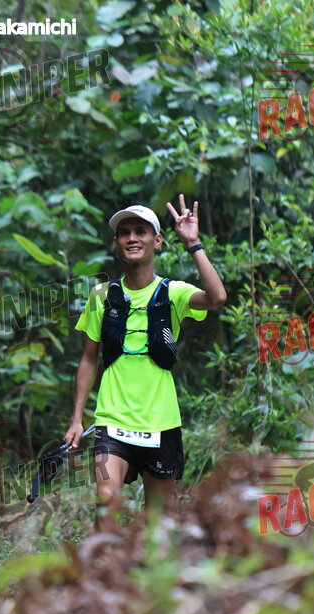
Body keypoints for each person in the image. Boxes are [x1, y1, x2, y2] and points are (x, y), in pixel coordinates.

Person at [63, 195, 226, 530]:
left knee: (160, 522)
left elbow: (217, 297)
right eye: (125, 233)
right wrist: (77, 419)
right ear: (116, 243)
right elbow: (89, 358)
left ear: (157, 240)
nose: (132, 238)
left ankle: (151, 564)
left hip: (160, 422)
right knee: (106, 501)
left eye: (141, 231)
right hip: (112, 420)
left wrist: (193, 243)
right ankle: (105, 563)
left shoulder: (173, 293)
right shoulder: (101, 296)